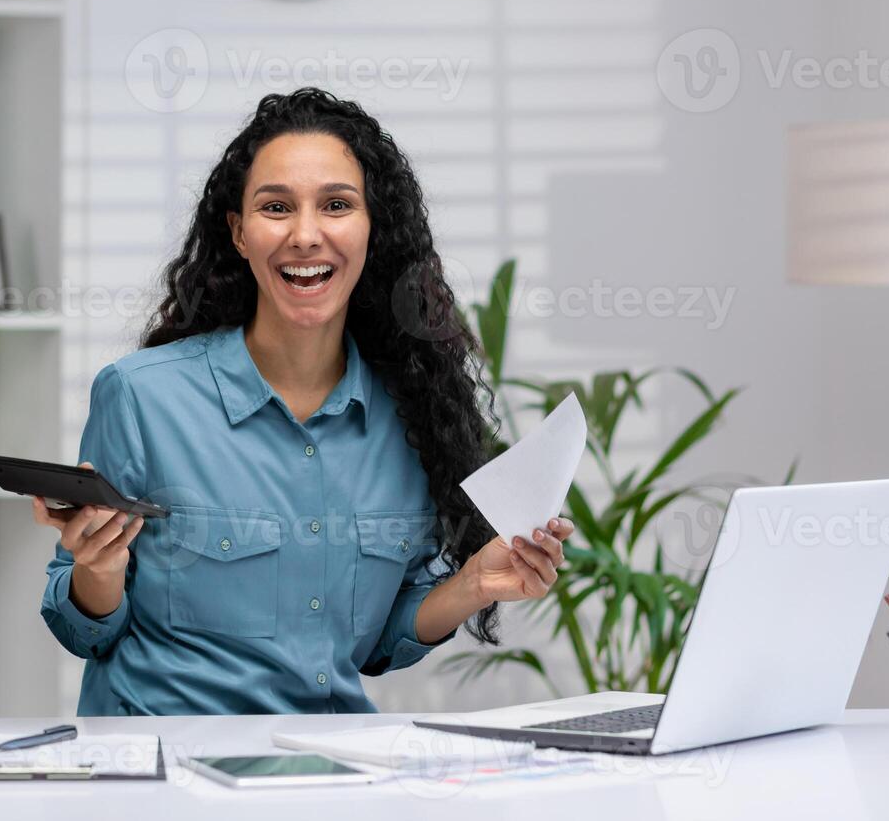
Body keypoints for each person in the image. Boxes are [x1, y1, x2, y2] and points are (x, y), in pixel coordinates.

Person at [34, 87, 573, 715]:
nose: (306, 235)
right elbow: (83, 630)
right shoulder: (140, 396)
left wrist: (474, 584)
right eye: (276, 207)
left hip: (326, 764)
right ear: (238, 232)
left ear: (373, 230)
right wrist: (97, 570)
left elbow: (378, 646)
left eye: (337, 205)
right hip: (168, 768)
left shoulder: (409, 414)